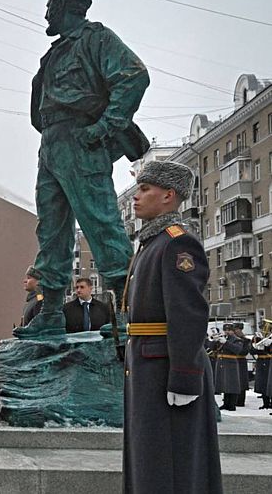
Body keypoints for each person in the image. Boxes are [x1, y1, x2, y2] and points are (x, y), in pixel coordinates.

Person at [17, 0, 150, 338]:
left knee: (101, 222)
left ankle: (124, 313)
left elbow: (134, 76)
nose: (46, 13)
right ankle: (50, 312)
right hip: (53, 143)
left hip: (81, 140)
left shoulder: (96, 39)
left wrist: (105, 127)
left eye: (50, 5)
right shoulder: (55, 53)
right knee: (51, 229)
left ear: (65, 5)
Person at [123, 160, 221, 493]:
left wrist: (184, 377)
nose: (136, 197)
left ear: (168, 195)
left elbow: (188, 314)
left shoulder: (177, 243)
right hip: (149, 366)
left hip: (165, 368)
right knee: (150, 463)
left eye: (144, 189)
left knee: (172, 466)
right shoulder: (152, 244)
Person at [210, 323, 247, 411]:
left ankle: (232, 405)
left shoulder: (237, 340)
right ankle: (226, 403)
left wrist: (226, 343)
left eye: (229, 330)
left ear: (233, 331)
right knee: (224, 384)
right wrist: (214, 341)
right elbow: (212, 348)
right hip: (222, 363)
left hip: (231, 363)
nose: (227, 332)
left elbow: (237, 350)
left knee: (232, 384)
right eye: (225, 330)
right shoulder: (222, 338)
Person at [250, 331, 271, 409]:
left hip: (269, 361)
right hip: (261, 361)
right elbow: (251, 350)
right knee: (263, 382)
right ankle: (265, 403)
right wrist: (257, 348)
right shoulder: (257, 337)